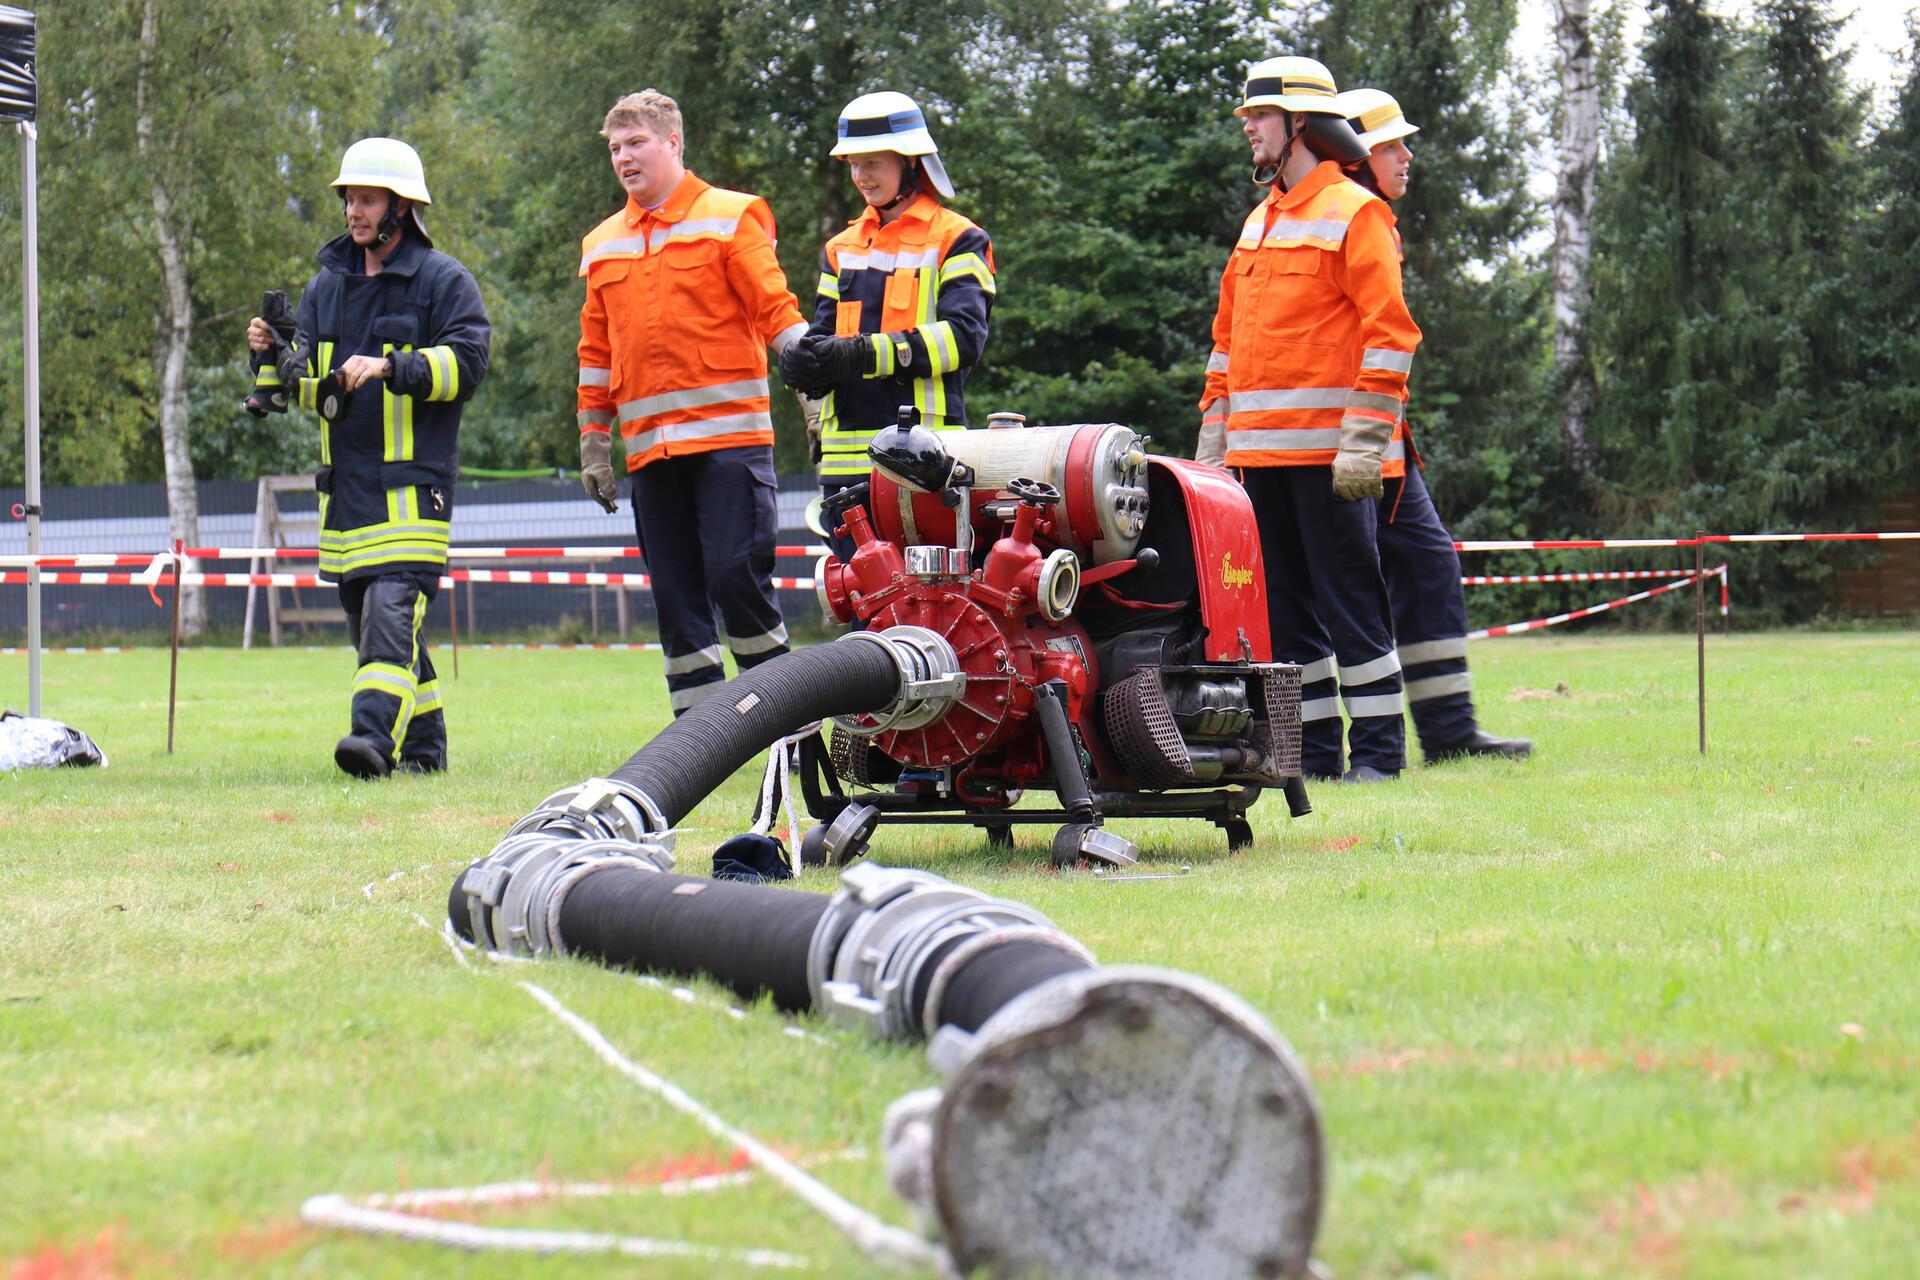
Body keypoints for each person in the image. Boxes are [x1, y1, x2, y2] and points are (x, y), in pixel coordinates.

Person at [1197, 57, 1414, 782]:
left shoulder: (1358, 213)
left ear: (1298, 126)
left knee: (1352, 608)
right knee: (1287, 619)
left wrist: (1363, 446)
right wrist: (1212, 451)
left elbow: (1392, 335)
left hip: (1332, 464)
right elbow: (1226, 347)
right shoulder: (1259, 222)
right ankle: (1312, 759)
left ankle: (1380, 757)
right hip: (1259, 466)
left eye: (1258, 117)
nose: (1248, 129)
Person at [247, 137, 490, 780]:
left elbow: (468, 365)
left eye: (367, 198)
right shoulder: (325, 289)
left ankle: (370, 740)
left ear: (401, 208)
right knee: (381, 632)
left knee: (389, 614)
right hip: (346, 498)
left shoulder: (444, 281)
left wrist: (390, 366)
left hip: (412, 494)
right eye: (349, 197)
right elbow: (314, 392)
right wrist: (271, 356)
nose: (354, 210)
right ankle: (425, 747)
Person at [575, 90, 810, 716]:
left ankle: (785, 729)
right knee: (677, 605)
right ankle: (696, 748)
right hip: (650, 453)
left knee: (737, 581)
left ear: (673, 143)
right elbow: (595, 352)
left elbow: (776, 312)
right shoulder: (602, 243)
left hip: (730, 444)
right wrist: (594, 441)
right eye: (615, 148)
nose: (624, 158)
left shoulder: (731, 216)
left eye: (636, 144)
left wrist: (814, 396)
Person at [1333, 88, 1531, 762]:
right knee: (1344, 597)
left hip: (1381, 449)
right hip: (1337, 452)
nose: (1407, 154)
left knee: (1428, 570)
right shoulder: (1353, 219)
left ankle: (1449, 734)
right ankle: (1325, 753)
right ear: (1357, 157)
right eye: (1391, 144)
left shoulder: (1368, 219)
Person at [779, 91, 995, 546]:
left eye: (873, 162)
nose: (861, 176)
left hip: (925, 460)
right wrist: (805, 365)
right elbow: (823, 338)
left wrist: (859, 353)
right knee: (856, 605)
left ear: (910, 161)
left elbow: (962, 340)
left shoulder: (959, 238)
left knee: (929, 607)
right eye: (854, 164)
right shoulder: (840, 248)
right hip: (843, 470)